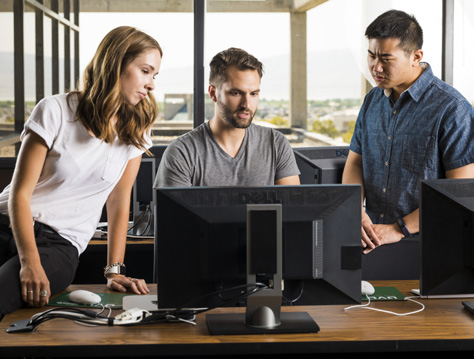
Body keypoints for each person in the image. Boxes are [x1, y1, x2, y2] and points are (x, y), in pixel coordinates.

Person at [0, 26, 162, 320]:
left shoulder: (136, 128)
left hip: (59, 245)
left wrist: (114, 271)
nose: (151, 84)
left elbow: (118, 199)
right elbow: (19, 194)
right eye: (145, 71)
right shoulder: (54, 110)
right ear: (116, 64)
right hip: (8, 223)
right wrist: (28, 259)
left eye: (155, 76)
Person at [342, 10, 473, 254]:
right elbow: (356, 163)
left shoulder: (452, 108)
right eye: (371, 56)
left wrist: (399, 228)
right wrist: (355, 211)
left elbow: (461, 191)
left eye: (386, 59)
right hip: (372, 240)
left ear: (416, 56)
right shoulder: (372, 100)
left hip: (428, 248)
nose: (375, 67)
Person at [154, 47, 300, 188]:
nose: (247, 104)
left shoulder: (275, 144)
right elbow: (172, 213)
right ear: (213, 93)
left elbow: (293, 208)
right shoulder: (182, 152)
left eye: (254, 93)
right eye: (236, 93)